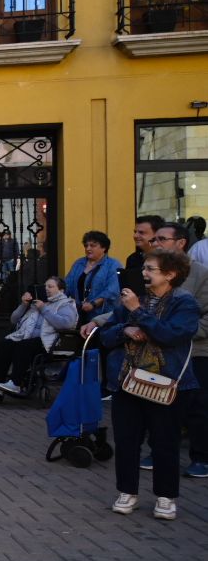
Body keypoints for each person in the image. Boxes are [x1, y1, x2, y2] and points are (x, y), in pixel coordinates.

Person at [85, 248, 199, 521]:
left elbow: (171, 335)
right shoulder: (131, 297)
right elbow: (107, 334)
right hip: (128, 381)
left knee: (164, 442)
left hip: (168, 383)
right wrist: (124, 330)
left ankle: (165, 497)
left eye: (151, 269)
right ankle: (127, 492)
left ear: (170, 274)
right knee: (126, 441)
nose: (144, 274)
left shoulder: (184, 303)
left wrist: (138, 312)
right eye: (144, 268)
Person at [152, 222, 208, 478]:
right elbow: (137, 306)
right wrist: (99, 321)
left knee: (197, 406)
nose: (156, 243)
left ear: (181, 242)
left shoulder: (201, 274)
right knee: (161, 404)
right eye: (155, 239)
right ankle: (159, 452)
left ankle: (201, 457)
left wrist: (181, 331)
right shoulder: (153, 272)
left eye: (162, 238)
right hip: (161, 350)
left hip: (195, 351)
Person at [0, 276, 78, 399]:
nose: (46, 289)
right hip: (29, 338)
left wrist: (44, 309)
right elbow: (14, 319)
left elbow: (66, 324)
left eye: (50, 286)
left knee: (23, 346)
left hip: (51, 341)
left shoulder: (65, 304)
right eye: (45, 286)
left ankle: (15, 383)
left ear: (61, 290)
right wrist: (24, 305)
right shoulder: (37, 303)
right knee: (6, 343)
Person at [66, 231, 122, 323]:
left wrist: (93, 304)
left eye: (92, 245)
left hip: (102, 315)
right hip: (78, 314)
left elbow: (112, 291)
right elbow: (67, 285)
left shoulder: (113, 265)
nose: (88, 248)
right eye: (86, 245)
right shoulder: (79, 263)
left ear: (104, 247)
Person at [122, 217, 163, 296]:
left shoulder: (166, 259)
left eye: (141, 232)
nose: (135, 235)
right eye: (135, 232)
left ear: (156, 234)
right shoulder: (133, 258)